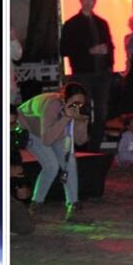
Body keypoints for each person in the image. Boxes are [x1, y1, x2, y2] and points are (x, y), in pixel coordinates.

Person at [16, 83, 90, 222]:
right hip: (29, 127)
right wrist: (66, 118)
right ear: (64, 100)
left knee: (70, 162)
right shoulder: (52, 105)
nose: (77, 107)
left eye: (81, 104)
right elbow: (47, 140)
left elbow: (81, 141)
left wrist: (81, 123)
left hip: (53, 130)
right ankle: (35, 204)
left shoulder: (75, 109)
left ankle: (73, 206)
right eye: (74, 103)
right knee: (51, 166)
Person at [60, 0, 113, 151]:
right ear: (80, 0)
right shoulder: (71, 24)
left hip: (102, 74)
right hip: (83, 74)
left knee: (102, 111)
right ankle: (82, 146)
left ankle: (94, 147)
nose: (89, 2)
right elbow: (64, 49)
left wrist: (107, 53)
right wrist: (89, 51)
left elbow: (110, 45)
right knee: (83, 110)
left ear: (95, 1)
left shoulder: (101, 23)